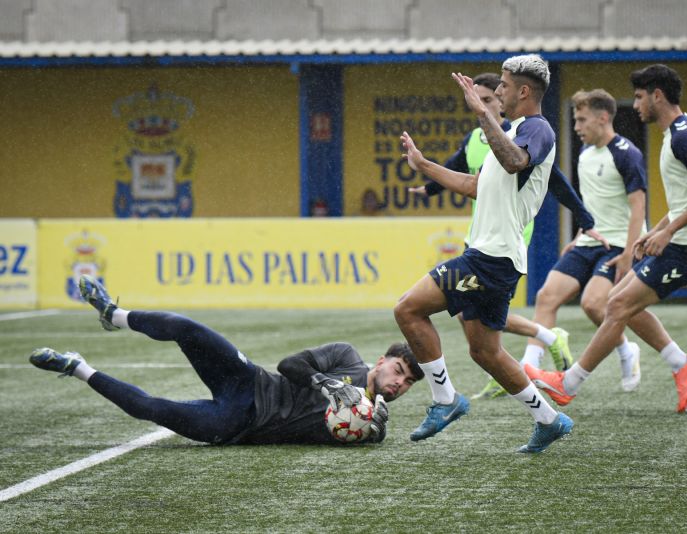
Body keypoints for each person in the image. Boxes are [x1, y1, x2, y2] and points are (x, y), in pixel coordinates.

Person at [394, 54, 573, 453]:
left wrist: (482, 113)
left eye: (504, 87)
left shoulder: (536, 129)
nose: (498, 93)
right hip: (495, 258)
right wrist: (424, 165)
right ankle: (550, 420)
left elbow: (515, 162)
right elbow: (475, 186)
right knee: (485, 352)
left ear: (523, 91)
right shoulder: (512, 132)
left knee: (408, 309)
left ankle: (446, 399)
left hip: (490, 259)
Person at [527, 64, 687, 413]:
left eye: (639, 97)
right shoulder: (676, 133)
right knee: (618, 302)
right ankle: (681, 363)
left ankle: (568, 383)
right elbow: (685, 200)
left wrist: (667, 232)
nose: (636, 105)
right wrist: (658, 231)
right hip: (676, 241)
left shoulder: (684, 137)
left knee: (614, 305)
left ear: (657, 96)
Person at [29, 274, 424, 445]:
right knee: (186, 327)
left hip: (238, 425)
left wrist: (371, 431)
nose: (399, 383)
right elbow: (289, 365)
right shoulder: (346, 356)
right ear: (381, 360)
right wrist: (328, 384)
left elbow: (349, 436)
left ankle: (76, 367)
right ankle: (113, 314)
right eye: (399, 371)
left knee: (150, 408)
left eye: (407, 383)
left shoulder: (372, 421)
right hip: (249, 380)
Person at [410, 73, 609, 400]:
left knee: (417, 308)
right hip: (479, 238)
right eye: (482, 99)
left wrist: (585, 220)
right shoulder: (477, 139)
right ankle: (525, 385)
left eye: (491, 98)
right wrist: (427, 182)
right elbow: (466, 176)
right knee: (474, 323)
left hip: (504, 243)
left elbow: (554, 179)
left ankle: (537, 344)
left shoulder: (521, 135)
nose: (489, 103)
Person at [524, 89, 647, 393]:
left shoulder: (627, 153)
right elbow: (592, 204)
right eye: (575, 120)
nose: (576, 127)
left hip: (617, 245)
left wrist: (629, 253)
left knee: (593, 304)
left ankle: (626, 351)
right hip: (589, 241)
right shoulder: (584, 154)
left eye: (581, 120)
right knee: (546, 296)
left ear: (603, 118)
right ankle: (529, 367)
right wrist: (579, 236)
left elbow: (638, 208)